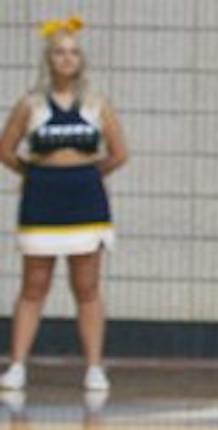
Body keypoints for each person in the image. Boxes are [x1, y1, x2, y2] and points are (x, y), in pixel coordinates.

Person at [0, 17, 127, 393]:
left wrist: (86, 175)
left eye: (73, 52)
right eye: (59, 52)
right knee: (33, 285)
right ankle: (18, 365)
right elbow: (5, 150)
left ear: (81, 60)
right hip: (41, 201)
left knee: (86, 286)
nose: (66, 59)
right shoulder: (30, 105)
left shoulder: (97, 105)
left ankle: (93, 367)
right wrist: (35, 173)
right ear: (48, 59)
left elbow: (119, 153)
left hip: (85, 203)